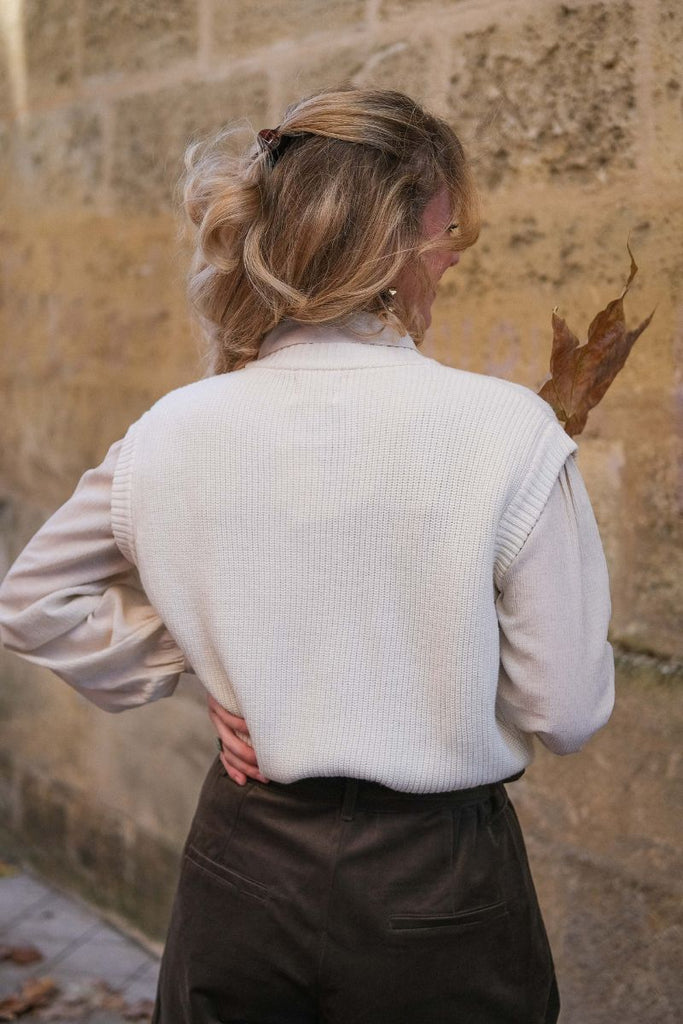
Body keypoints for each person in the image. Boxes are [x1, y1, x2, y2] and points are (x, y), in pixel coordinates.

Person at [0, 87, 614, 1023]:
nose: (452, 256)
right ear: (398, 239)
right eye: (451, 229)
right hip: (438, 884)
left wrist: (201, 668)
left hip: (245, 861)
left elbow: (31, 599)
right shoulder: (507, 432)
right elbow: (564, 709)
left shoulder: (175, 428)